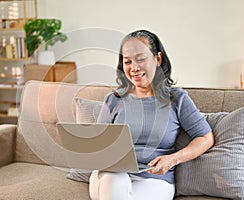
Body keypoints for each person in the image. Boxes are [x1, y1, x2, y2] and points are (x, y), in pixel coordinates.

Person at [89, 29, 214, 200]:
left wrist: (172, 159)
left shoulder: (176, 99)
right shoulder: (113, 99)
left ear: (158, 59)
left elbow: (205, 137)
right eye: (127, 62)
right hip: (110, 176)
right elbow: (98, 143)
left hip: (155, 179)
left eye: (141, 59)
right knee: (113, 179)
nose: (134, 68)